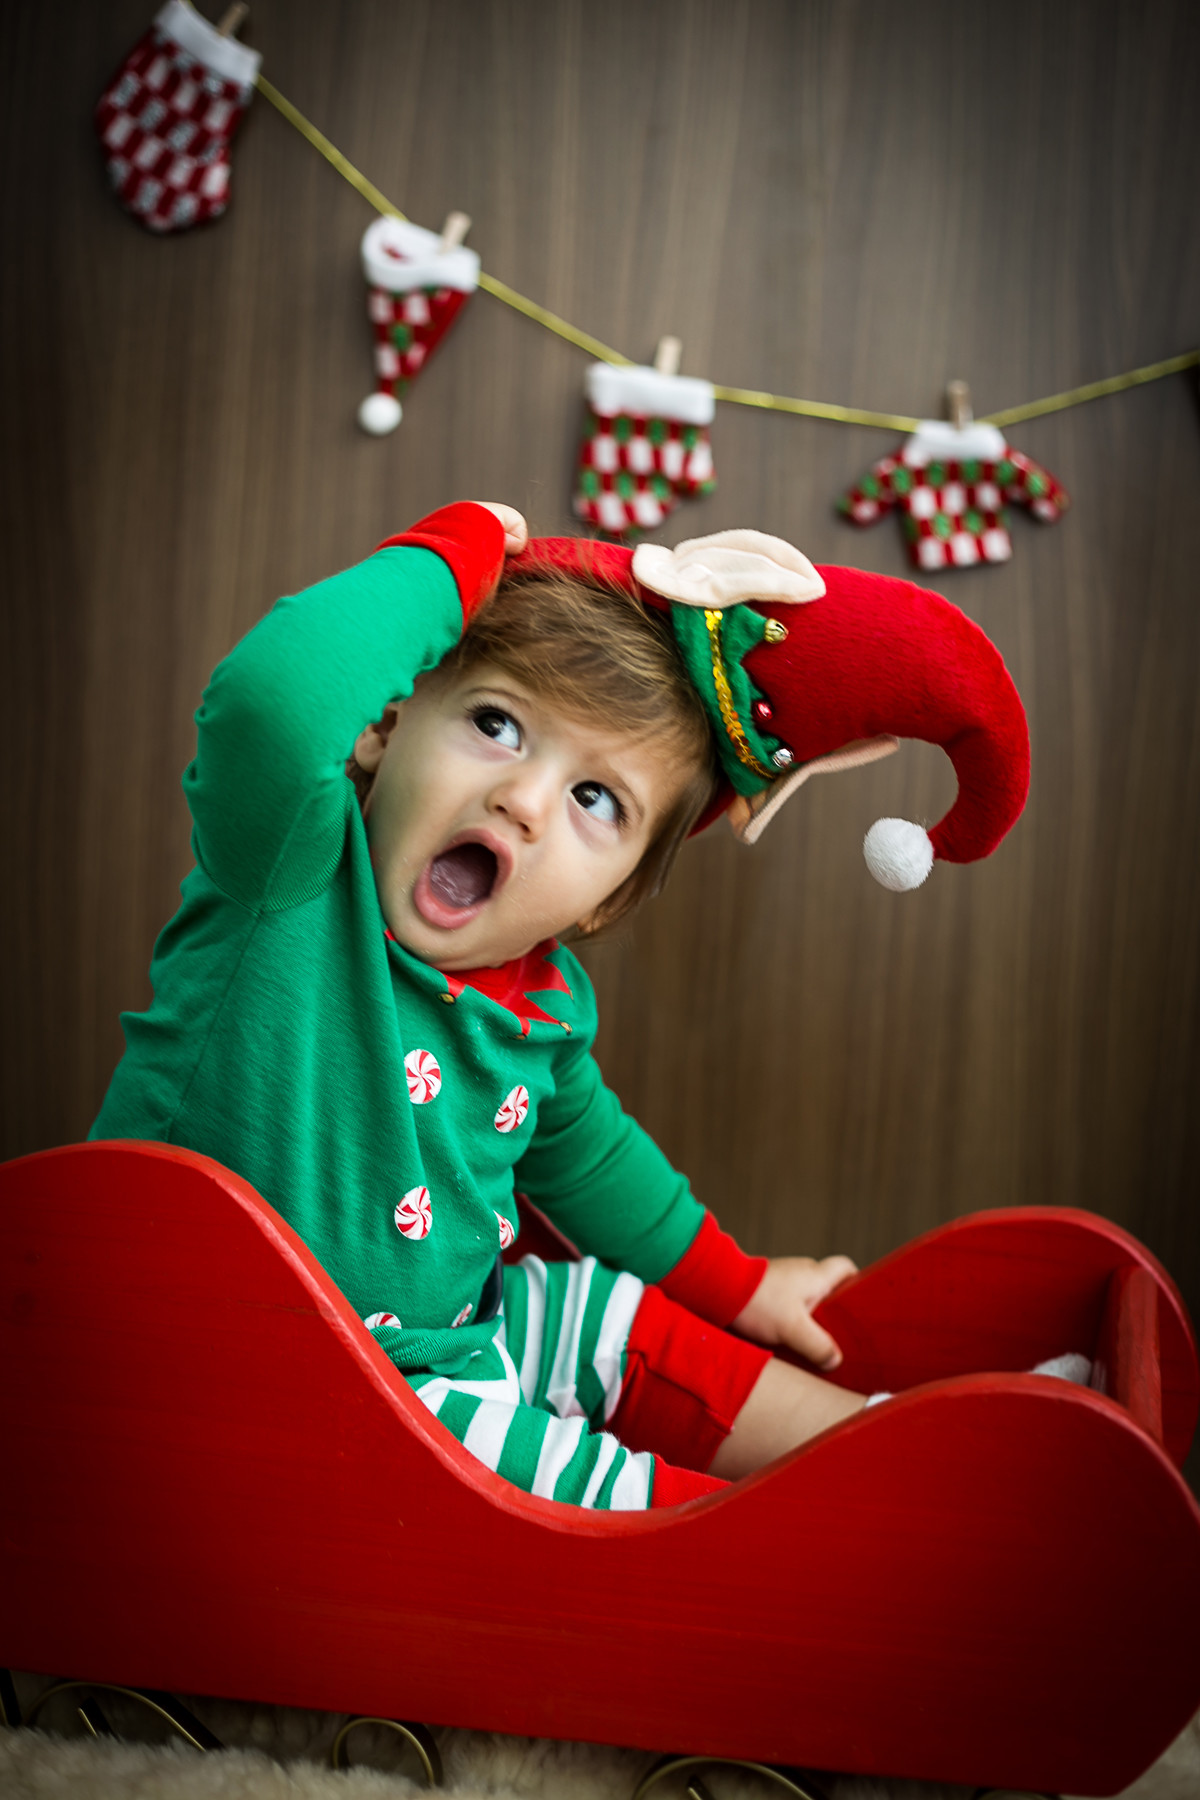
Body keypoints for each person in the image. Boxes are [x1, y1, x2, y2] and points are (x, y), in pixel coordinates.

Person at [92, 498, 1042, 1507]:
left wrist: (745, 1287)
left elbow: (594, 1163)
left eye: (597, 800)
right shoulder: (289, 879)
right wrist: (450, 555)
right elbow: (273, 703)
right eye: (495, 723)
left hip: (443, 1348)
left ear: (606, 903)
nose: (526, 800)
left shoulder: (543, 1010)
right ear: (384, 727)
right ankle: (798, 1539)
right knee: (576, 1486)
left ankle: (907, 1451)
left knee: (602, 1311)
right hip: (240, 1379)